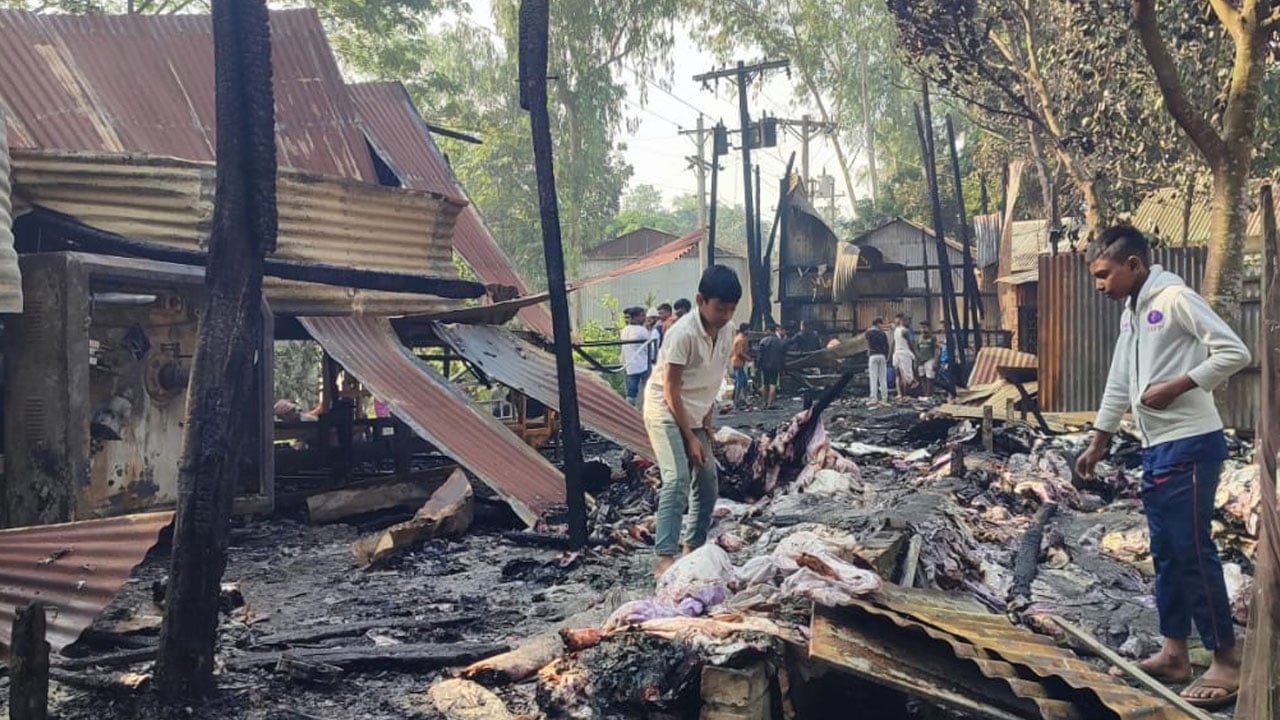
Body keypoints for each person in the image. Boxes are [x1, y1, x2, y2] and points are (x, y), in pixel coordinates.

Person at [1074, 225, 1250, 709]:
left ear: (1133, 265)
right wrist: (1099, 440)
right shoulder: (1132, 313)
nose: (1100, 285)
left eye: (1104, 275)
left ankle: (1227, 661)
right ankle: (1175, 651)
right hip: (1157, 448)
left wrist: (1180, 385)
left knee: (1192, 550)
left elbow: (1235, 352)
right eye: (1095, 277)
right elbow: (1118, 378)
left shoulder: (1173, 297)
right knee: (1167, 552)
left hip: (1191, 443)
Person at [645, 265, 741, 580]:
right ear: (700, 300)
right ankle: (664, 557)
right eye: (719, 308)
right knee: (677, 479)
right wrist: (689, 437)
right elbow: (671, 388)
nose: (725, 315)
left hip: (696, 411)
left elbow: (712, 380)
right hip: (665, 409)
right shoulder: (682, 334)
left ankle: (693, 549)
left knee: (709, 478)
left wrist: (706, 427)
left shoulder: (728, 330)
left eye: (731, 309)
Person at [620, 306, 652, 409]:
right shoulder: (642, 331)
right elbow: (649, 348)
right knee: (648, 389)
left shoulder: (625, 330)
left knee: (631, 392)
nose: (644, 318)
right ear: (635, 317)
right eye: (642, 316)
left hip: (630, 364)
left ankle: (629, 412)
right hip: (643, 364)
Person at [756, 323, 788, 409]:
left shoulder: (763, 341)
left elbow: (760, 355)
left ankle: (764, 403)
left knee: (765, 384)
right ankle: (770, 403)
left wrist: (758, 366)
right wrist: (783, 367)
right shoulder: (780, 342)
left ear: (769, 330)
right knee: (773, 384)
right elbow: (783, 356)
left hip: (764, 366)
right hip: (775, 366)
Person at [892, 315, 917, 398]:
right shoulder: (905, 331)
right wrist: (915, 354)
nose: (909, 323)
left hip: (896, 353)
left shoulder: (896, 330)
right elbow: (910, 344)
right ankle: (905, 394)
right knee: (907, 375)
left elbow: (894, 343)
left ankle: (899, 394)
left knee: (898, 374)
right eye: (908, 321)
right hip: (904, 354)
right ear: (904, 321)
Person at [865, 318, 889, 404]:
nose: (882, 325)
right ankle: (884, 397)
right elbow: (887, 346)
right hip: (882, 356)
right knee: (882, 378)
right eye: (881, 324)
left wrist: (869, 351)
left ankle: (873, 398)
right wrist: (886, 356)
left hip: (873, 355)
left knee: (873, 378)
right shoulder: (883, 334)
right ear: (878, 324)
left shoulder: (869, 332)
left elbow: (867, 342)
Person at [915, 320, 938, 396]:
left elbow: (936, 349)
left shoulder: (933, 337)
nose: (923, 330)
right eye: (922, 328)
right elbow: (916, 349)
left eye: (925, 328)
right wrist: (917, 359)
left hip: (930, 359)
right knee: (922, 377)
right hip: (921, 361)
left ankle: (929, 394)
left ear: (929, 328)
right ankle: (924, 394)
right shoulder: (919, 338)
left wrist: (935, 360)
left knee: (930, 377)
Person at [731, 323, 750, 408]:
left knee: (743, 381)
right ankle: (736, 400)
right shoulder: (740, 339)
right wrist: (748, 358)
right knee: (740, 381)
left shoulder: (740, 338)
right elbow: (739, 352)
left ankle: (742, 399)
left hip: (739, 363)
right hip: (738, 363)